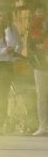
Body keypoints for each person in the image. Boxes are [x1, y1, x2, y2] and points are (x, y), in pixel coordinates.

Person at [27, 7, 48, 136]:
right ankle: (42, 126)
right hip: (39, 66)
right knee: (41, 96)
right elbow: (31, 47)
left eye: (42, 12)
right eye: (37, 11)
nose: (39, 14)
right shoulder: (32, 29)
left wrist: (43, 46)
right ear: (34, 13)